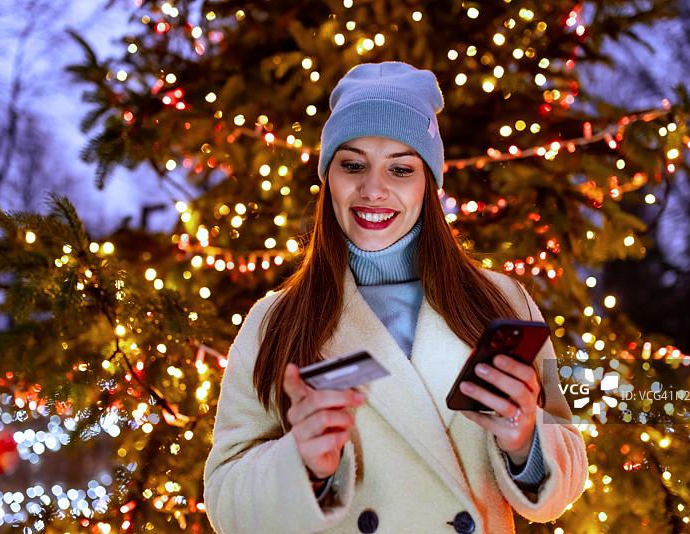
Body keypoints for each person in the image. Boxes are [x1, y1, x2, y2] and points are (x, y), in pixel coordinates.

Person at [204, 61, 588, 534]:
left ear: (429, 184)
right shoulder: (274, 321)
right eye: (352, 165)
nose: (373, 190)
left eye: (401, 169)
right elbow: (225, 499)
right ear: (328, 178)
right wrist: (302, 467)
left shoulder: (503, 302)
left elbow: (564, 471)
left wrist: (528, 444)